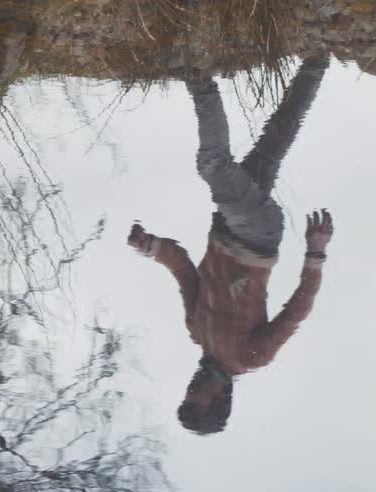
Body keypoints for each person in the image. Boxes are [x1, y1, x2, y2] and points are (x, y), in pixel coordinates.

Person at [128, 57, 333, 435]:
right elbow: (296, 312)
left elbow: (184, 270)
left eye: (184, 398)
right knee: (213, 166)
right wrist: (316, 253)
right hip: (255, 236)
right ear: (221, 399)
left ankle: (317, 61)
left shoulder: (196, 332)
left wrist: (150, 246)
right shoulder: (251, 357)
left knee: (275, 140)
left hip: (226, 228)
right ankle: (198, 76)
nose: (190, 391)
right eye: (196, 401)